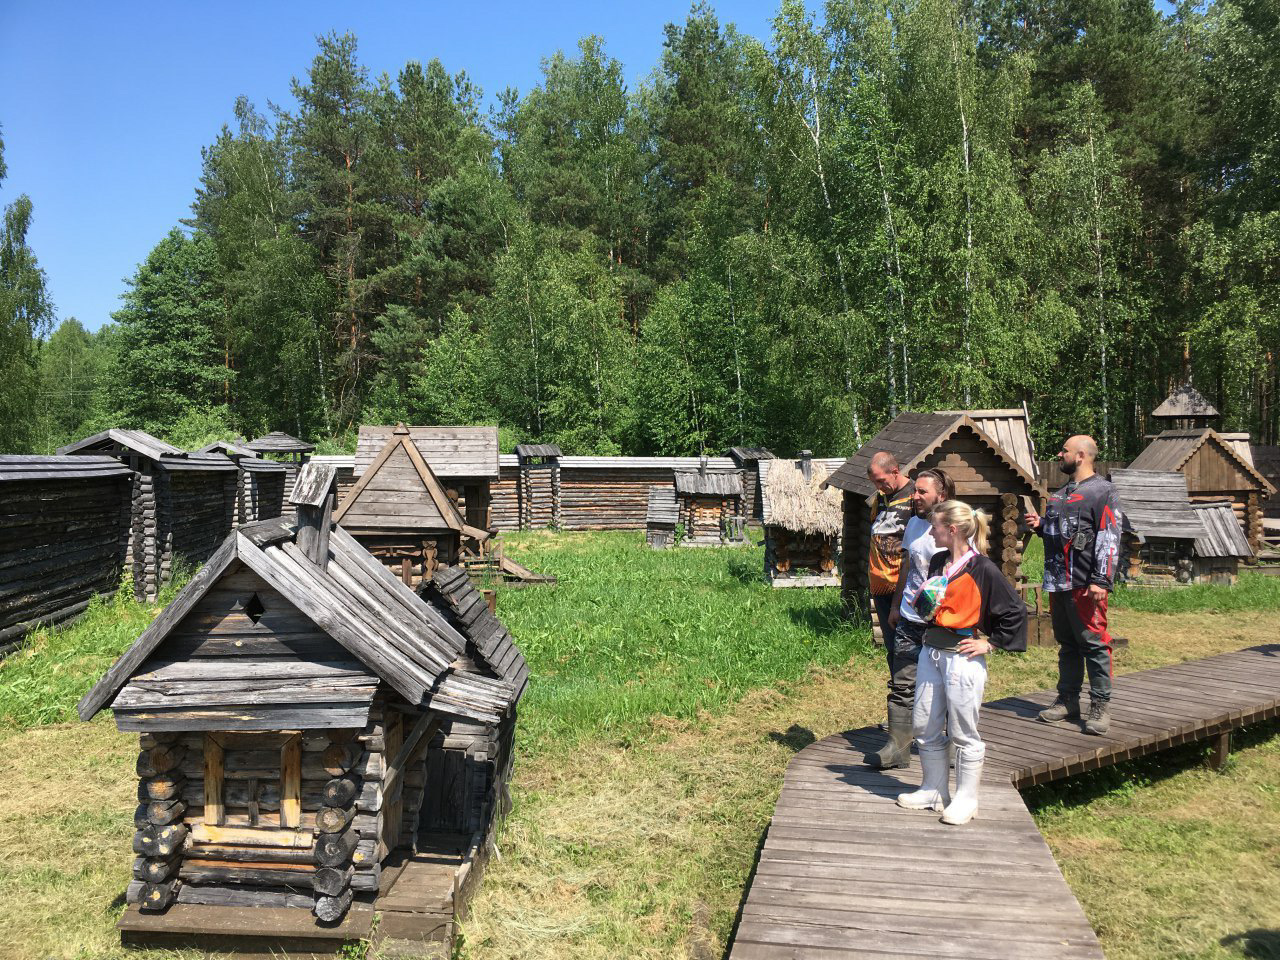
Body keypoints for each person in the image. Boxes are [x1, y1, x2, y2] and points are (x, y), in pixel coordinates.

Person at [896, 500, 1027, 825]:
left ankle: (966, 799)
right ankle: (932, 790)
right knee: (924, 724)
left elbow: (1015, 610)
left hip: (962, 658)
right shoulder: (940, 560)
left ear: (951, 530)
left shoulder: (983, 568)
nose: (931, 532)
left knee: (963, 731)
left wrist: (991, 642)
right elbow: (934, 602)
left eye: (935, 527)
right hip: (931, 651)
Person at [1024, 435, 1123, 736]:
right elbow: (1063, 530)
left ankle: (1100, 704)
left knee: (1093, 644)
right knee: (1067, 645)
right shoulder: (1060, 494)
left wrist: (1101, 579)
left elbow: (1109, 535)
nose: (1059, 454)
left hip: (1086, 583)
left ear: (1081, 456)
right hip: (1058, 583)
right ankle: (1068, 699)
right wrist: (1041, 525)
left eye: (1064, 450)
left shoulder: (1102, 492)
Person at [869, 468, 954, 768]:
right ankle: (898, 748)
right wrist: (895, 606)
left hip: (943, 624)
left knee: (947, 684)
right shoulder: (914, 524)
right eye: (914, 490)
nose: (914, 497)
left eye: (922, 492)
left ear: (941, 495)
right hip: (908, 619)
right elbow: (906, 567)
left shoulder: (956, 527)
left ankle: (952, 745)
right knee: (902, 684)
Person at [866, 452, 915, 678]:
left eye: (881, 480)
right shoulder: (881, 497)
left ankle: (909, 700)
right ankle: (899, 696)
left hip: (902, 587)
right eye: (874, 482)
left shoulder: (915, 497)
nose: (878, 486)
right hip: (880, 587)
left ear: (895, 472)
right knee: (892, 648)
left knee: (906, 648)